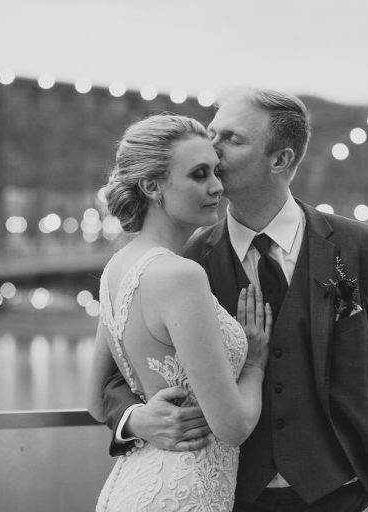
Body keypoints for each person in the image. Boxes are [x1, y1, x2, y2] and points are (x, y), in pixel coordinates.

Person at [101, 88, 368, 512]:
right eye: (212, 133)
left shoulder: (363, 248)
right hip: (231, 497)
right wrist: (135, 420)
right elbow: (116, 374)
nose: (213, 151)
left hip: (350, 494)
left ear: (281, 160)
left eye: (232, 139)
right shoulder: (183, 261)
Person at [87, 113, 273, 511]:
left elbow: (93, 398)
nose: (218, 187)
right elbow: (234, 427)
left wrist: (136, 419)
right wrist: (255, 365)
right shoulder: (181, 275)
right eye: (199, 175)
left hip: (131, 489)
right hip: (184, 495)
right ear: (152, 186)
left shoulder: (116, 269)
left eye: (216, 172)